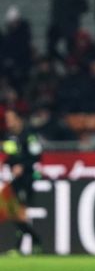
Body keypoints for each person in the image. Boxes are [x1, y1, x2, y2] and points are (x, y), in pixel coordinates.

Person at [1, 109, 43, 254]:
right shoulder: (9, 136)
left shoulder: (29, 135)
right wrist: (5, 162)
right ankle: (35, 242)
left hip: (26, 179)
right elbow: (10, 155)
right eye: (7, 119)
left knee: (18, 213)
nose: (8, 122)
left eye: (11, 118)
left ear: (19, 119)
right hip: (14, 180)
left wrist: (23, 166)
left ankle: (26, 245)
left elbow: (37, 156)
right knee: (14, 213)